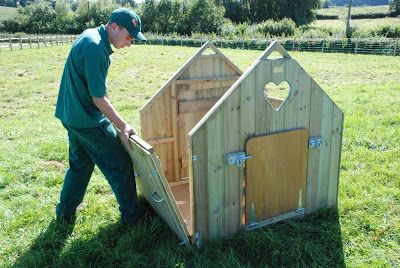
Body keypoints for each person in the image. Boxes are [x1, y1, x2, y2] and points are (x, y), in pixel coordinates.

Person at [54, 8, 146, 225]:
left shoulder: (90, 35)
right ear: (114, 26)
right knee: (120, 163)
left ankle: (64, 212)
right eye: (128, 36)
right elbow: (98, 98)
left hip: (70, 115)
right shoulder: (96, 48)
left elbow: (98, 89)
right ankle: (133, 218)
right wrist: (123, 127)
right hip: (87, 119)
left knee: (80, 165)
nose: (129, 43)